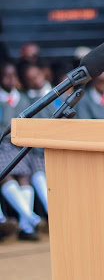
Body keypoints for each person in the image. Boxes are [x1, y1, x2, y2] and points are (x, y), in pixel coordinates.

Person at [0, 61, 43, 241]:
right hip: (2, 145)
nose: (11, 80)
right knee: (6, 175)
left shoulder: (23, 98)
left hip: (19, 145)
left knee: (24, 176)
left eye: (13, 76)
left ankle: (26, 224)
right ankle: (30, 217)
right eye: (6, 76)